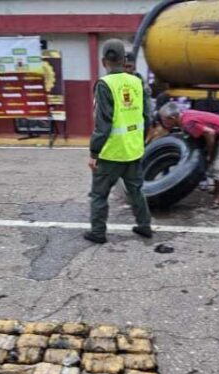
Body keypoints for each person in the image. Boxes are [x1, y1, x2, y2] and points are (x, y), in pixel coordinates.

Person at [85, 40, 153, 244]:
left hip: (111, 153)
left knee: (99, 195)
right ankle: (144, 225)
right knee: (136, 190)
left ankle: (98, 232)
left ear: (103, 61)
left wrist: (94, 153)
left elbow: (103, 124)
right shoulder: (137, 82)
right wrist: (139, 141)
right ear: (124, 60)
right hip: (133, 150)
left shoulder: (104, 84)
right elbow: (147, 116)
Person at [159, 103, 219, 207]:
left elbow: (210, 133)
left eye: (165, 120)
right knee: (208, 160)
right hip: (218, 131)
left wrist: (210, 152)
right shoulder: (183, 118)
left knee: (217, 165)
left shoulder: (187, 122)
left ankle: (218, 196)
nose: (164, 123)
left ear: (172, 118)